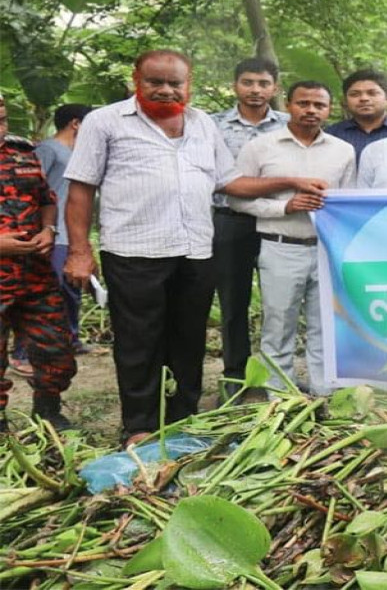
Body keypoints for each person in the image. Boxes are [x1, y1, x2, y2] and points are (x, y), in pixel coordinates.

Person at [62, 49, 330, 445]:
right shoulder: (105, 122)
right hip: (135, 251)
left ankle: (184, 418)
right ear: (137, 79)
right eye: (156, 82)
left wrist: (292, 180)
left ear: (189, 82)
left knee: (189, 339)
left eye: (175, 83)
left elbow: (231, 181)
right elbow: (82, 187)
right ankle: (139, 426)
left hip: (195, 251)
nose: (166, 90)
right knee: (139, 342)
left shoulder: (202, 123)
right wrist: (80, 251)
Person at [232, 81, 355, 396]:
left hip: (326, 250)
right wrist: (284, 206)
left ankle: (323, 394)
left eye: (319, 105)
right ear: (288, 104)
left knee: (324, 326)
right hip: (280, 246)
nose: (311, 110)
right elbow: (236, 198)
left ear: (330, 109)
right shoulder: (261, 147)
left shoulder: (343, 151)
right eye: (303, 103)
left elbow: (348, 200)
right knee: (278, 326)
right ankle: (280, 397)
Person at [212, 58, 288, 400]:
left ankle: (279, 375)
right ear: (235, 86)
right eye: (248, 82)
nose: (255, 90)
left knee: (283, 301)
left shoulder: (290, 125)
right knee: (233, 301)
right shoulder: (212, 126)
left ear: (275, 88)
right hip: (229, 220)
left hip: (281, 219)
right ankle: (235, 376)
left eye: (263, 83)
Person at [0, 95, 77, 432]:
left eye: (1, 119)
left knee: (56, 349)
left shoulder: (22, 153)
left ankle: (48, 411)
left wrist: (49, 228)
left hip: (35, 276)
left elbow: (47, 198)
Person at [30, 105, 94, 356]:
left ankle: (70, 338)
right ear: (75, 124)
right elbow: (34, 189)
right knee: (47, 290)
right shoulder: (48, 150)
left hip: (72, 235)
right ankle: (28, 351)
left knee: (71, 288)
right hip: (52, 234)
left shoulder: (79, 154)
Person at [325, 69, 387, 159]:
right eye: (355, 94)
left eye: (372, 93)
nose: (364, 98)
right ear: (345, 101)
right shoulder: (332, 135)